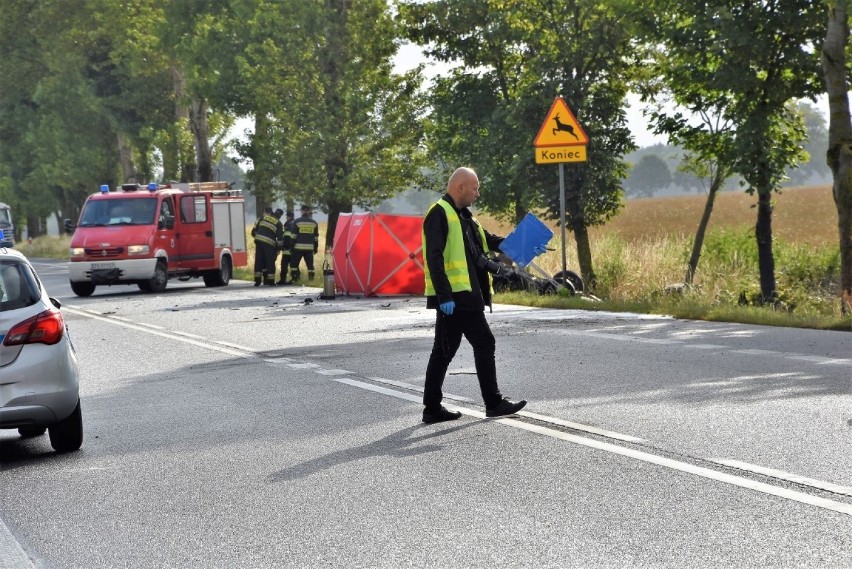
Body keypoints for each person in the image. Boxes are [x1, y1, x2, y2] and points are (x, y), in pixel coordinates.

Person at [421, 166, 527, 424]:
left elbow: (489, 241)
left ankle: (432, 409)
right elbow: (434, 258)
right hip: (456, 298)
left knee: (444, 351)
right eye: (475, 187)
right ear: (460, 187)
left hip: (465, 296)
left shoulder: (465, 216)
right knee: (483, 343)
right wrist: (444, 296)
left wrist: (525, 244)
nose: (478, 193)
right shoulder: (439, 214)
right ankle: (493, 402)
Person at [251, 207, 283, 286]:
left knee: (258, 260)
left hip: (259, 242)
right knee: (270, 262)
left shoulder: (262, 218)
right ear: (280, 216)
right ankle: (271, 281)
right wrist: (278, 249)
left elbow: (253, 231)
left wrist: (257, 237)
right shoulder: (278, 223)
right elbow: (280, 238)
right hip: (269, 244)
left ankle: (257, 281)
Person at [287, 205, 319, 283]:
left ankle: (295, 278)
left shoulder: (297, 222)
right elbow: (316, 237)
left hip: (298, 248)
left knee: (294, 264)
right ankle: (311, 279)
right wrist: (315, 248)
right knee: (310, 265)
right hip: (309, 248)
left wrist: (291, 247)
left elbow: (293, 236)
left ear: (301, 211)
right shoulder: (314, 223)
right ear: (309, 211)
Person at [277, 211, 297, 285]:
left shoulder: (288, 224)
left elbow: (287, 237)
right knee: (293, 265)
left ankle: (282, 280)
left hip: (287, 249)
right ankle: (295, 279)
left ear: (289, 217)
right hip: (294, 249)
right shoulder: (295, 224)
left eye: (287, 216)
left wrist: (283, 246)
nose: (286, 217)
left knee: (284, 265)